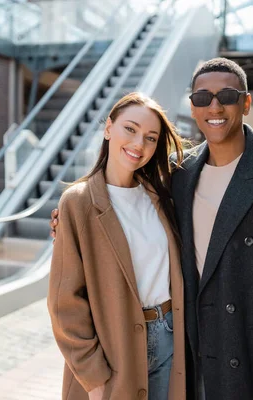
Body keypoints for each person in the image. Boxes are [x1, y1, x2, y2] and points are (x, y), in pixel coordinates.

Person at [52, 57, 253, 400]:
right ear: (192, 107)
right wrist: (67, 219)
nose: (215, 107)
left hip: (252, 362)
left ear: (246, 102)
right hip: (192, 356)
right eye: (202, 98)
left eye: (227, 96)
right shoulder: (179, 173)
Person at [47, 92, 187, 400]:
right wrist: (93, 378)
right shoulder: (78, 202)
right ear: (108, 128)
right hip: (114, 346)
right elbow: (64, 302)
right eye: (130, 129)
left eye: (151, 138)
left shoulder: (162, 196)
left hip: (169, 337)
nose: (139, 144)